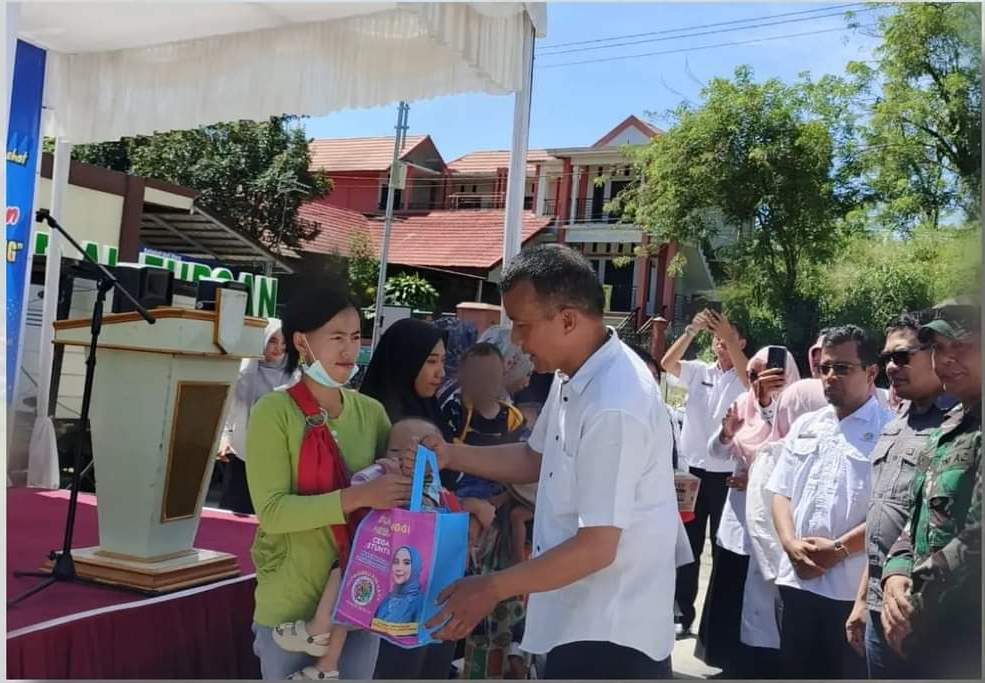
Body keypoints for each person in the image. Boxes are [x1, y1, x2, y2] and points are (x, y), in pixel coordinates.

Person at [419, 244, 681, 679]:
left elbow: (597, 546)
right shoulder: (574, 374)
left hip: (609, 632)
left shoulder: (615, 402)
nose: (516, 342)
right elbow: (534, 458)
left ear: (567, 320)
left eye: (522, 325)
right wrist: (450, 453)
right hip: (574, 614)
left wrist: (492, 587)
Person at [246, 282, 409, 681]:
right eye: (336, 337)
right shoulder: (274, 412)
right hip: (290, 607)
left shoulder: (371, 413)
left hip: (361, 598)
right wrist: (358, 496)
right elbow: (273, 512)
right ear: (302, 342)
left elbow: (393, 501)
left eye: (355, 336)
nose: (349, 349)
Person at [766, 325, 894, 679]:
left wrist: (837, 551)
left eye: (842, 368)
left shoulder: (891, 431)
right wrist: (790, 544)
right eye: (825, 368)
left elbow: (893, 515)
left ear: (871, 372)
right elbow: (781, 492)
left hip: (849, 592)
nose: (830, 376)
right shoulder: (806, 425)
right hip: (795, 581)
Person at [842, 311, 955, 679]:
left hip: (927, 613)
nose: (892, 366)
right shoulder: (896, 425)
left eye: (903, 356)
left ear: (936, 353)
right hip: (880, 605)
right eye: (887, 357)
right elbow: (884, 523)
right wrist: (863, 599)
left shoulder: (961, 426)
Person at [359, 318, 464, 680]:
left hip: (437, 570)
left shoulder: (433, 412)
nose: (440, 373)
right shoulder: (375, 417)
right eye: (431, 361)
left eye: (443, 361)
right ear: (406, 360)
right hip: (392, 569)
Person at [881, 301, 981, 679]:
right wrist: (895, 573)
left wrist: (914, 603)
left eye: (964, 346)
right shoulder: (948, 428)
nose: (947, 359)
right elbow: (917, 514)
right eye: (938, 348)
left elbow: (977, 539)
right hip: (927, 631)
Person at [696, 347, 799, 677]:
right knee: (731, 589)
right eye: (752, 375)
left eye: (767, 374)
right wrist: (727, 433)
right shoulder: (743, 403)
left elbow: (789, 454)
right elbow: (715, 452)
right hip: (738, 516)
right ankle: (728, 663)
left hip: (773, 518)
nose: (757, 381)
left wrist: (755, 478)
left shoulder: (799, 408)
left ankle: (759, 669)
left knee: (764, 599)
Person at [661, 308, 750, 636]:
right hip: (692, 473)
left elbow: (749, 381)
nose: (721, 343)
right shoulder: (699, 370)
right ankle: (682, 613)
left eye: (728, 337)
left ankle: (718, 625)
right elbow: (667, 363)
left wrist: (730, 340)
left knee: (723, 545)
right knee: (688, 545)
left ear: (741, 341)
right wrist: (691, 331)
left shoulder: (746, 373)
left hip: (728, 473)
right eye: (717, 338)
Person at [741, 377, 829, 679]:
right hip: (780, 572)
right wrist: (783, 566)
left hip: (808, 573)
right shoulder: (773, 453)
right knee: (773, 649)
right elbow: (759, 519)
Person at [217, 319, 293, 514]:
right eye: (272, 341)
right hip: (241, 451)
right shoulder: (244, 372)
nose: (279, 348)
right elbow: (228, 407)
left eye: (284, 342)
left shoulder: (295, 377)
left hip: (279, 455)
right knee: (236, 510)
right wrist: (225, 437)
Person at [442, 342, 528, 498]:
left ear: (502, 374)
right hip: (462, 484)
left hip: (501, 486)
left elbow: (523, 459)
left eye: (491, 375)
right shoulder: (456, 410)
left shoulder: (513, 417)